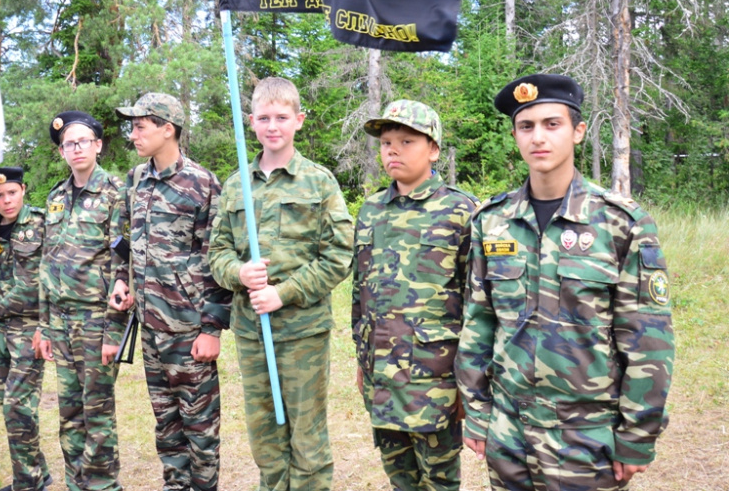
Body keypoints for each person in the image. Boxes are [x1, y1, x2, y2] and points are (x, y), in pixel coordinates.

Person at [455, 74, 676, 491]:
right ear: (515, 136)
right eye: (526, 126)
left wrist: (637, 435)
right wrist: (479, 412)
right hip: (509, 430)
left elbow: (647, 338)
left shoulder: (621, 222)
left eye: (552, 124)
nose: (538, 137)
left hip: (587, 436)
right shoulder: (492, 221)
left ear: (578, 131)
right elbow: (479, 322)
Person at [209, 76, 354, 491]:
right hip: (252, 333)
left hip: (302, 332)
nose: (272, 126)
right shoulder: (236, 185)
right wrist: (239, 273)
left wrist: (282, 293)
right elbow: (217, 252)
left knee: (307, 438)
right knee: (266, 439)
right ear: (251, 122)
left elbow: (339, 254)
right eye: (264, 118)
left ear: (299, 120)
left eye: (281, 117)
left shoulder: (318, 181)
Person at [107, 92, 231, 491]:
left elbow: (217, 258)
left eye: (140, 127)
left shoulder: (202, 183)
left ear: (167, 129)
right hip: (149, 327)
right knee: (166, 423)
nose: (133, 135)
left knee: (200, 424)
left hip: (188, 328)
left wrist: (211, 329)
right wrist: (121, 280)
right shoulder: (135, 180)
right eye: (132, 127)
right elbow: (121, 242)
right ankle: (175, 485)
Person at [352, 100, 477, 491]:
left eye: (407, 141)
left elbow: (478, 303)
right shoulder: (371, 210)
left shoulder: (460, 210)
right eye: (386, 142)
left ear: (433, 149)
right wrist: (362, 358)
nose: (393, 150)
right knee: (400, 478)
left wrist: (470, 379)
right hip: (382, 374)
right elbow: (360, 292)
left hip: (434, 376)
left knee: (439, 480)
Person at [36, 111, 125, 491]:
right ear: (61, 152)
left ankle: (103, 486)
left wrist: (114, 332)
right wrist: (44, 326)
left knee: (97, 413)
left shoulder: (116, 193)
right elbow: (47, 263)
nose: (76, 149)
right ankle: (77, 484)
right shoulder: (55, 197)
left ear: (98, 145)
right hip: (59, 321)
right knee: (70, 413)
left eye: (83, 141)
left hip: (96, 321)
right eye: (69, 144)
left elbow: (123, 266)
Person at [0, 167, 51, 491]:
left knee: (18, 406)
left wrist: (47, 326)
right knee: (9, 406)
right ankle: (37, 473)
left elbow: (57, 275)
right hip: (1, 329)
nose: (6, 200)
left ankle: (27, 484)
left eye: (12, 193)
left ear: (23, 190)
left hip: (30, 328)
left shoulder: (44, 223)